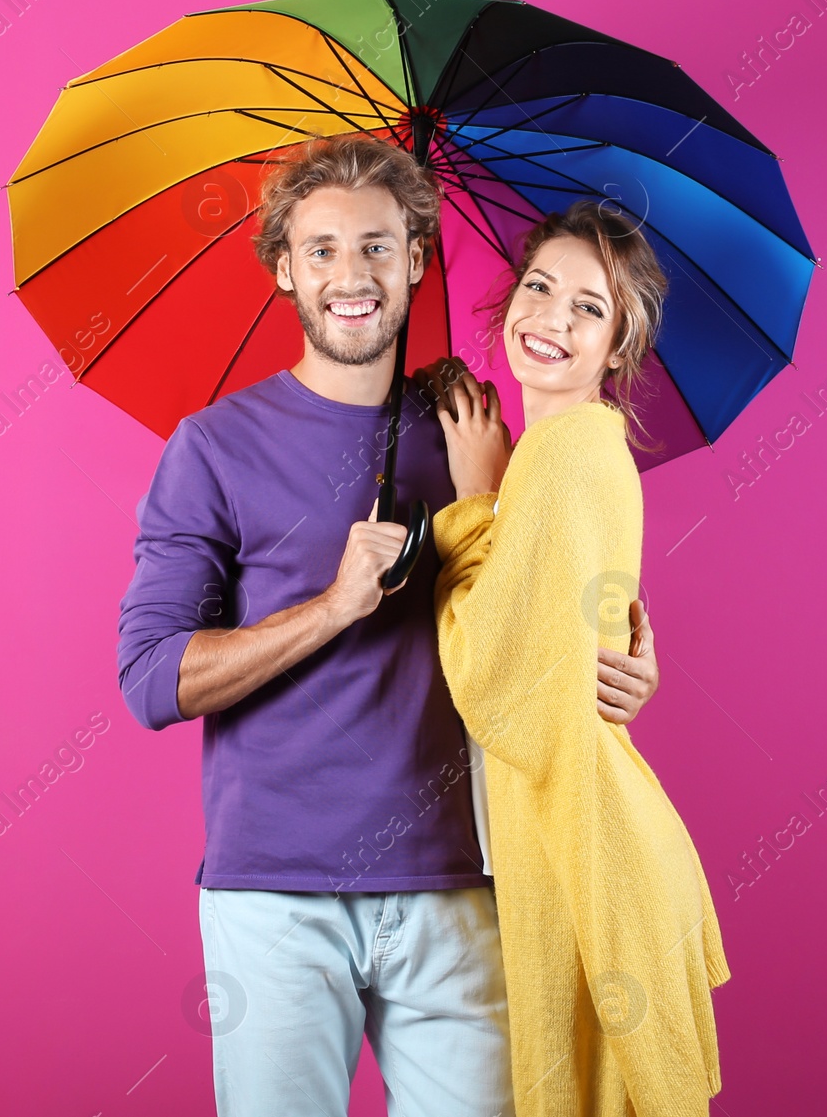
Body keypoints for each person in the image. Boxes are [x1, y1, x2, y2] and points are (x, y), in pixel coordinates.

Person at [116, 135, 662, 1117]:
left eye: (377, 246)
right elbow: (154, 680)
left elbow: (542, 601)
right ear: (283, 270)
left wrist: (624, 650)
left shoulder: (473, 430)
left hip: (460, 885)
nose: (350, 275)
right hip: (274, 896)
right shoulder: (211, 448)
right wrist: (330, 610)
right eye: (321, 250)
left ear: (416, 258)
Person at [426, 200, 731, 1117]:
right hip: (593, 841)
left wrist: (470, 503)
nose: (551, 317)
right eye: (539, 286)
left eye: (588, 308)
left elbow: (493, 681)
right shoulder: (568, 454)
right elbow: (588, 647)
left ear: (618, 350)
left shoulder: (559, 460)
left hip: (586, 852)